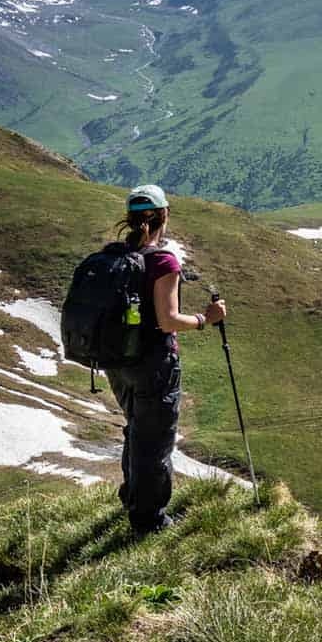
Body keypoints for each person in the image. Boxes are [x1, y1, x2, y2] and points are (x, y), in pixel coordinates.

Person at [105, 185, 226, 534]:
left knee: (136, 428)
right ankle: (150, 521)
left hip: (118, 360)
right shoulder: (162, 261)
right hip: (154, 363)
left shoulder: (114, 255)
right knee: (155, 439)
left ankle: (133, 498)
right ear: (165, 215)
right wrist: (207, 319)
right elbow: (167, 320)